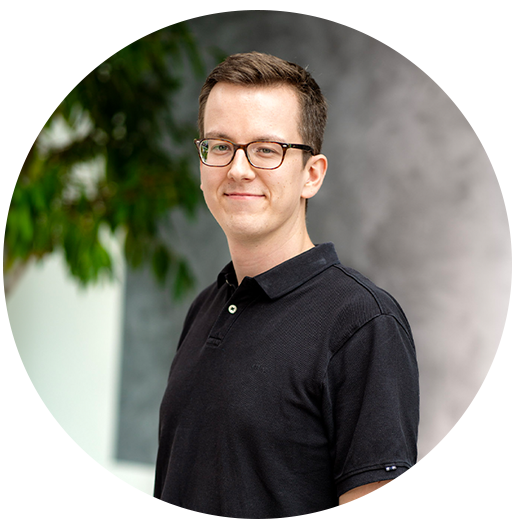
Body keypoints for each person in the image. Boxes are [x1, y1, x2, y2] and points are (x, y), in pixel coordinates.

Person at [151, 51, 419, 519]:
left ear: (311, 175)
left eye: (266, 149)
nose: (238, 169)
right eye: (220, 145)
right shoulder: (205, 308)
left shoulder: (363, 325)